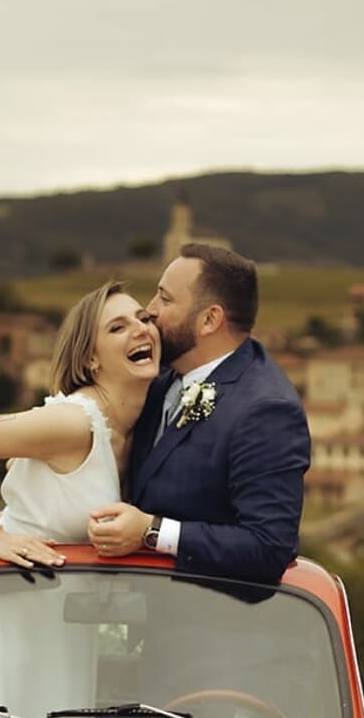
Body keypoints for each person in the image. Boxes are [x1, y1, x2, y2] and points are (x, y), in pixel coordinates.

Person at [86, 243, 311, 585]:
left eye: (165, 298)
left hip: (210, 623)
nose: (150, 310)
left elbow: (268, 547)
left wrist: (152, 531)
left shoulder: (266, 410)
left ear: (209, 320)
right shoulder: (158, 377)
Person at [0, 281, 161, 568]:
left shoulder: (139, 426)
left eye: (143, 318)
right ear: (90, 359)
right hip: (19, 590)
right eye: (117, 328)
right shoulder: (73, 422)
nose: (141, 329)